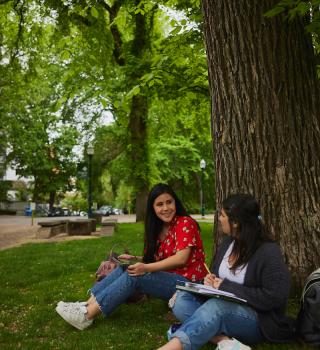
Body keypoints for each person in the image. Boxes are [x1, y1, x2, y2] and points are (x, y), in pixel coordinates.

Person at [56, 183, 207, 330]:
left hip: (190, 283)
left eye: (169, 202)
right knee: (125, 268)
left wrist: (145, 267)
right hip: (173, 279)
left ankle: (87, 316)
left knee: (136, 275)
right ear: (153, 208)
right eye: (160, 204)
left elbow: (181, 258)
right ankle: (86, 305)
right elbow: (162, 259)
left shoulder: (184, 223)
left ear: (175, 202)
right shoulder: (158, 228)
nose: (166, 208)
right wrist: (135, 258)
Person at [158, 194, 296, 350]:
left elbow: (275, 297)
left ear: (235, 222)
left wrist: (226, 287)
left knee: (218, 307)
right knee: (181, 299)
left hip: (257, 320)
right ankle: (224, 341)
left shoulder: (268, 252)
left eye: (222, 215)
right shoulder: (228, 243)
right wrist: (208, 281)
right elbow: (217, 278)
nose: (220, 219)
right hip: (219, 307)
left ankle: (173, 346)